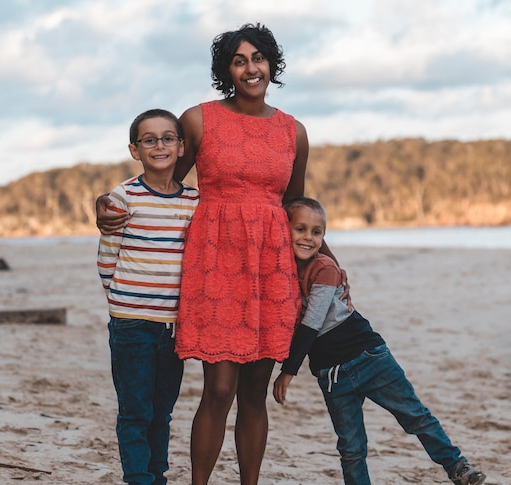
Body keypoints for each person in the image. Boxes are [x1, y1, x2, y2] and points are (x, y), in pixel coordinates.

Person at [96, 23, 347, 485]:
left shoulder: (295, 131)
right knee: (219, 389)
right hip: (215, 266)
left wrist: (328, 263)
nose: (251, 68)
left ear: (272, 64)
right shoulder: (199, 119)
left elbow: (295, 208)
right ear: (226, 71)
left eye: (258, 58)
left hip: (270, 269)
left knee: (254, 393)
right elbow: (164, 179)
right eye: (239, 60)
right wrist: (105, 205)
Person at [273, 197, 488, 485]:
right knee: (351, 448)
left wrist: (288, 371)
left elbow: (311, 324)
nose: (308, 238)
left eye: (317, 232)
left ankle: (457, 466)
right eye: (300, 229)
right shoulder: (278, 271)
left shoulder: (324, 268)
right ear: (283, 229)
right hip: (332, 376)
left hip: (369, 357)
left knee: (415, 416)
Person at [97, 108, 199, 485]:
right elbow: (107, 259)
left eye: (168, 137)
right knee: (135, 410)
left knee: (162, 411)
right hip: (132, 324)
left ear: (181, 145)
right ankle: (138, 477)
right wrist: (124, 302)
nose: (160, 145)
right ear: (134, 149)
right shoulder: (124, 197)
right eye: (149, 139)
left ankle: (157, 475)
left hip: (173, 327)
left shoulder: (194, 201)